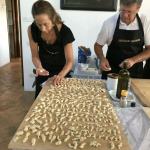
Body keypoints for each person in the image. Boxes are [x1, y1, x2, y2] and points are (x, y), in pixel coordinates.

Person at [28, 0, 75, 97]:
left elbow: (70, 61)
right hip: (43, 72)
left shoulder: (65, 32)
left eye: (45, 24)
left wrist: (61, 75)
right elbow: (34, 56)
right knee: (40, 105)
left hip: (62, 73)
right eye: (39, 24)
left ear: (53, 18)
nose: (43, 28)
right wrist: (39, 67)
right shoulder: (32, 29)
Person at [94, 0, 150, 79]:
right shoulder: (109, 23)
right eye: (122, 10)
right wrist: (102, 59)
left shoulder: (145, 21)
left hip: (135, 73)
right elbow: (98, 46)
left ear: (138, 8)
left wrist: (133, 60)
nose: (125, 15)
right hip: (111, 72)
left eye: (129, 12)